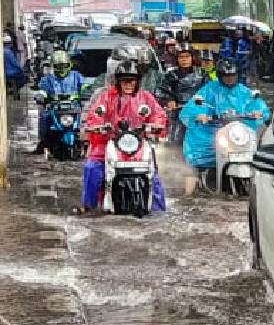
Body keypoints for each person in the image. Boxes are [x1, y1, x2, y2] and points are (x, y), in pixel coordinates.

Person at [79, 60, 168, 215]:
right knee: (92, 167)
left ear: (137, 81)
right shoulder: (106, 97)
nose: (128, 84)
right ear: (118, 81)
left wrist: (156, 125)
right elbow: (95, 114)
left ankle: (158, 210)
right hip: (108, 141)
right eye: (124, 80)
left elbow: (158, 114)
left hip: (136, 142)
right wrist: (98, 126)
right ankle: (88, 206)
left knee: (152, 173)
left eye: (132, 80)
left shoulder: (146, 97)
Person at [179, 58, 269, 190]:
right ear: (220, 76)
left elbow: (258, 106)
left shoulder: (244, 91)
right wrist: (199, 115)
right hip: (211, 132)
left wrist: (258, 113)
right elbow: (193, 106)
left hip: (236, 132)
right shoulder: (209, 90)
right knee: (194, 162)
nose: (230, 79)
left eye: (232, 76)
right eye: (226, 76)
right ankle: (190, 191)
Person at [32, 49, 86, 154]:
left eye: (64, 66)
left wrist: (86, 94)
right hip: (54, 106)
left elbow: (85, 87)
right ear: (53, 66)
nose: (62, 69)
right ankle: (44, 141)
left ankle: (87, 142)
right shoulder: (48, 79)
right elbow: (43, 90)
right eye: (59, 66)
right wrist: (41, 96)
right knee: (44, 116)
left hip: (74, 107)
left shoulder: (77, 76)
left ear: (69, 65)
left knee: (86, 118)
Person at [156, 44, 207, 145]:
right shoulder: (170, 75)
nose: (184, 60)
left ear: (192, 58)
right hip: (177, 114)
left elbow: (209, 92)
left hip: (198, 113)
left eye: (187, 56)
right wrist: (169, 100)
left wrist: (202, 101)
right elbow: (161, 92)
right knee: (174, 143)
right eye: (181, 57)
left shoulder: (202, 74)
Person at [4, 35, 26, 101]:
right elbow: (14, 63)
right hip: (11, 73)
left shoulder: (3, 51)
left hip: (6, 72)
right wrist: (21, 69)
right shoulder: (8, 52)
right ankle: (16, 91)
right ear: (10, 43)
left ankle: (13, 90)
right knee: (23, 77)